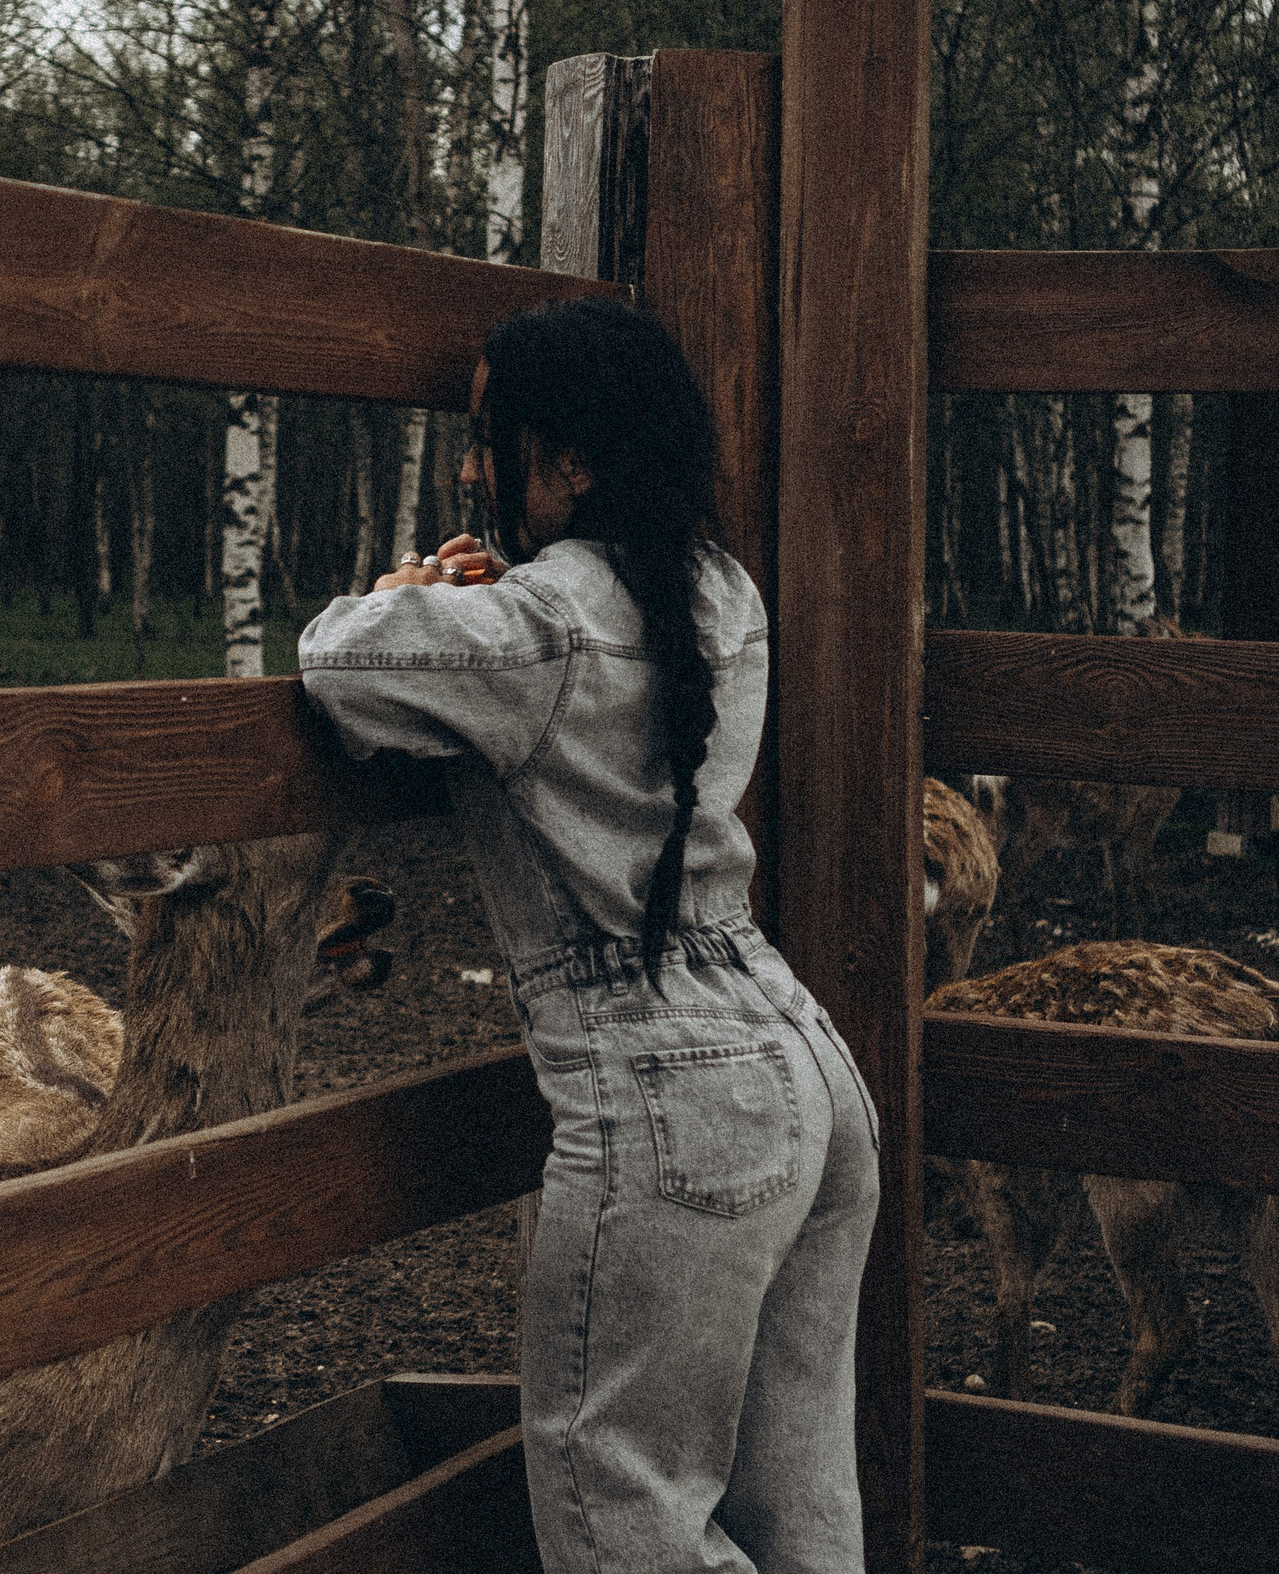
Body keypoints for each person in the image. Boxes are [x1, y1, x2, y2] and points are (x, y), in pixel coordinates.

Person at [297, 297, 880, 1574]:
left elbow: (339, 664)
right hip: (807, 1074)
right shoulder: (720, 590)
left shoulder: (531, 628)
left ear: (569, 463)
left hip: (673, 1097)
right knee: (802, 1517)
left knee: (620, 1517)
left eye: (487, 435)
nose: (468, 465)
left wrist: (408, 590)